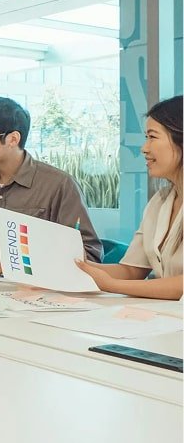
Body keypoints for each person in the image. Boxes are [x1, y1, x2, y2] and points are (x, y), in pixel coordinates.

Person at [0, 96, 102, 274]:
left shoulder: (59, 185)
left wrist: (22, 265)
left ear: (13, 139)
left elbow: (88, 253)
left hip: (32, 288)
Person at [75, 96, 183, 300]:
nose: (144, 148)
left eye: (152, 137)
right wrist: (79, 265)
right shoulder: (160, 201)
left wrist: (112, 286)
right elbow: (132, 270)